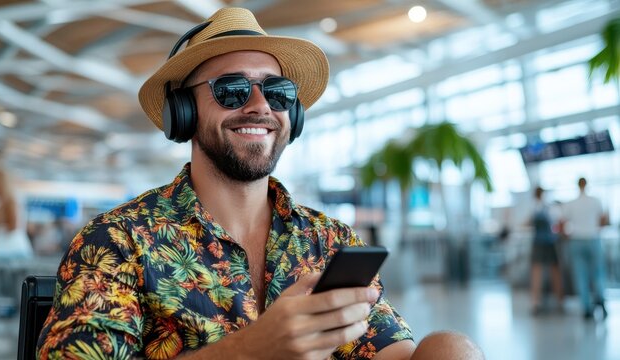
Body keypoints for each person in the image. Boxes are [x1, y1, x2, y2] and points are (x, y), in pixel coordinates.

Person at [37, 7, 483, 359]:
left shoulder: (328, 241)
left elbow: (389, 351)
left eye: (278, 93)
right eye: (231, 89)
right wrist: (252, 351)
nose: (259, 106)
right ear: (183, 113)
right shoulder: (116, 241)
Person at [562, 177, 609, 320]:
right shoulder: (596, 201)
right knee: (598, 273)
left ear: (577, 186)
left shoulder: (571, 203)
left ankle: (586, 308)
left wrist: (568, 235)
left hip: (576, 240)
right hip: (593, 238)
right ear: (587, 184)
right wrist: (595, 228)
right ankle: (600, 299)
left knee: (580, 274)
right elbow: (604, 220)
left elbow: (563, 223)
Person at [528, 187, 563, 314]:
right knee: (555, 271)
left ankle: (535, 302)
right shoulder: (551, 207)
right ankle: (559, 300)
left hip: (538, 243)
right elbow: (558, 224)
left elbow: (528, 223)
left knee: (536, 272)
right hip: (550, 243)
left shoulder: (534, 207)